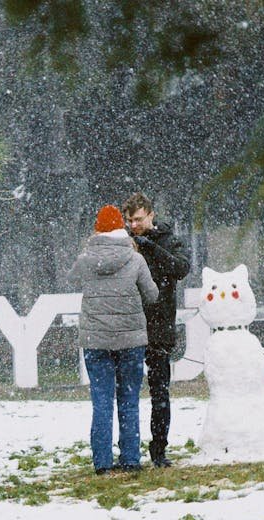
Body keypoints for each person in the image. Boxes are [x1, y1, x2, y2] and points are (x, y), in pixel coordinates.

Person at [70, 205, 159, 474]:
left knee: (102, 401)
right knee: (129, 400)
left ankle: (102, 463)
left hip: (96, 341)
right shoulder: (135, 259)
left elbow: (72, 279)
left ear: (97, 229)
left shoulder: (86, 258)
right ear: (122, 228)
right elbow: (152, 295)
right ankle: (131, 460)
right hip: (131, 340)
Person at [122, 192, 190, 467]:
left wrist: (148, 246)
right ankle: (127, 450)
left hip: (160, 327)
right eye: (130, 221)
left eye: (138, 219)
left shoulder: (170, 240)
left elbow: (181, 268)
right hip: (128, 326)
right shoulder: (125, 242)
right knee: (126, 392)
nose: (134, 225)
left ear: (150, 215)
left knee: (160, 393)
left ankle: (159, 449)